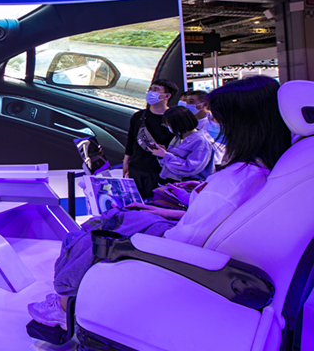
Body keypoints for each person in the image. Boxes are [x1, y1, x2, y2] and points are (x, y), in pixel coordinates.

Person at [28, 76, 291, 330]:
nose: (209, 122)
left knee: (97, 231)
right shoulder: (263, 171)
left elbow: (187, 237)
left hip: (175, 248)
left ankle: (64, 304)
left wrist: (150, 228)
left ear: (241, 124)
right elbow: (212, 220)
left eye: (215, 118)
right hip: (189, 236)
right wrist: (174, 205)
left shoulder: (233, 179)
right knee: (117, 218)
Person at [122, 79, 179, 198]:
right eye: (150, 89)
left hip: (159, 170)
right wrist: (126, 161)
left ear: (167, 95)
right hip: (137, 167)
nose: (151, 92)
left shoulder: (174, 118)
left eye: (156, 90)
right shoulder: (139, 116)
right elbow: (131, 139)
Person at [150, 106, 215, 182]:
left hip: (185, 184)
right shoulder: (178, 137)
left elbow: (190, 168)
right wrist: (162, 153)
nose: (168, 127)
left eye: (169, 125)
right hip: (169, 179)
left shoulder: (201, 142)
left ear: (179, 124)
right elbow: (169, 164)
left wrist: (165, 156)